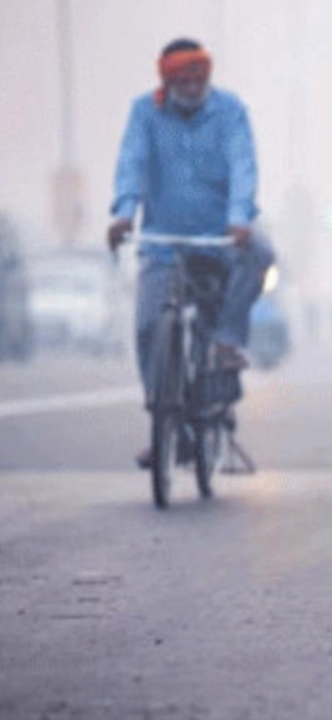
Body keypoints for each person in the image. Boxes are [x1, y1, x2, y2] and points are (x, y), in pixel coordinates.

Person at [107, 37, 274, 469]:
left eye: (200, 77)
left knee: (261, 254)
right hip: (163, 242)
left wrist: (239, 217)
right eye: (184, 78)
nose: (193, 86)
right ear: (167, 78)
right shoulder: (146, 113)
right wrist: (125, 213)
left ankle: (226, 341)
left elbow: (243, 165)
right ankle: (166, 425)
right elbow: (132, 163)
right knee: (148, 327)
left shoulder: (230, 111)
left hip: (220, 238)